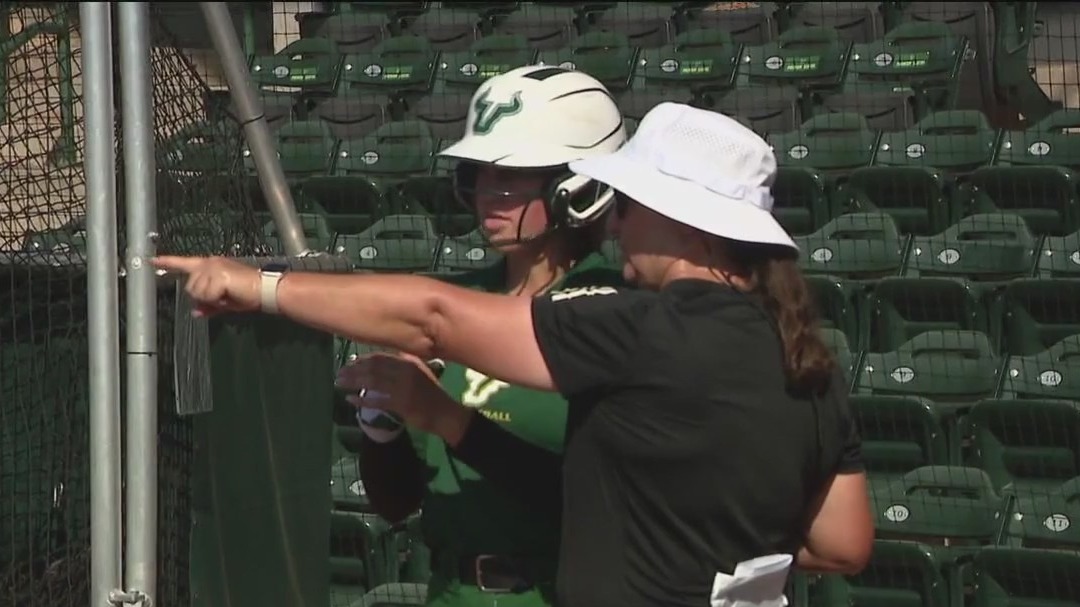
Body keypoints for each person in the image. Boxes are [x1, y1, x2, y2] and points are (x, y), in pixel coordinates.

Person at [154, 101, 874, 607]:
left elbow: (432, 316)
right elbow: (843, 543)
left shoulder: (642, 329)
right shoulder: (810, 362)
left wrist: (259, 285)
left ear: (686, 225)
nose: (616, 220)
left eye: (630, 203)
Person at [351, 64, 628, 607]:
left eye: (512, 175)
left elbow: (594, 501)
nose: (486, 192)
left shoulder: (618, 311)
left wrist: (445, 418)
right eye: (479, 173)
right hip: (450, 592)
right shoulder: (451, 305)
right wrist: (382, 424)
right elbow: (396, 503)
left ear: (580, 183)